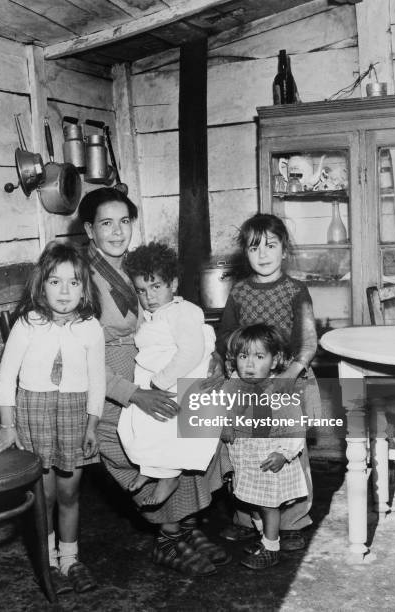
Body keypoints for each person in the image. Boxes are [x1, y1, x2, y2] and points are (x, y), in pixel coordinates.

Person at [78, 187, 231, 577]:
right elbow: (81, 356)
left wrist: (209, 359)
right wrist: (133, 394)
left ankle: (185, 527)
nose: (116, 232)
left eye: (124, 222)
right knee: (155, 431)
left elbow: (177, 322)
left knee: (197, 415)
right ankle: (168, 538)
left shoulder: (135, 265)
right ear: (88, 229)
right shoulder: (80, 276)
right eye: (106, 223)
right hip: (106, 379)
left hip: (149, 363)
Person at [0, 241, 106, 595]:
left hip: (74, 414)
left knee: (70, 493)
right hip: (34, 415)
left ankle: (71, 559)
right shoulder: (28, 324)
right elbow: (5, 377)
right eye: (55, 282)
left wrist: (92, 425)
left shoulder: (90, 328)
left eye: (73, 282)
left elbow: (97, 381)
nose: (65, 291)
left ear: (84, 288)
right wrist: (8, 427)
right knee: (46, 495)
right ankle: (48, 561)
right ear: (41, 285)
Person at [217, 212, 321, 551]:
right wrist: (237, 365)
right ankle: (249, 518)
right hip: (250, 379)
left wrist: (289, 376)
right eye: (254, 247)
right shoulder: (241, 291)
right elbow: (227, 335)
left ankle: (293, 521)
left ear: (284, 250)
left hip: (290, 377)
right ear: (244, 253)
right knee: (246, 448)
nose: (263, 255)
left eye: (271, 246)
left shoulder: (295, 290)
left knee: (289, 449)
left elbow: (307, 341)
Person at [117, 241, 219, 506]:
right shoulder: (157, 313)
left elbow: (191, 351)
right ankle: (150, 470)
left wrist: (159, 380)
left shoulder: (181, 311)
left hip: (175, 383)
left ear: (172, 284)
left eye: (156, 287)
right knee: (139, 429)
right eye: (141, 290)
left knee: (165, 433)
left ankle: (167, 477)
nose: (149, 296)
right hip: (158, 381)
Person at [221, 324, 307, 569]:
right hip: (245, 458)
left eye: (259, 357)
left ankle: (271, 547)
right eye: (243, 356)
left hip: (269, 459)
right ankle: (263, 537)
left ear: (274, 360)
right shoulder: (234, 384)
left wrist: (283, 453)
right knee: (252, 501)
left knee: (268, 504)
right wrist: (226, 424)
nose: (249, 364)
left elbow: (296, 426)